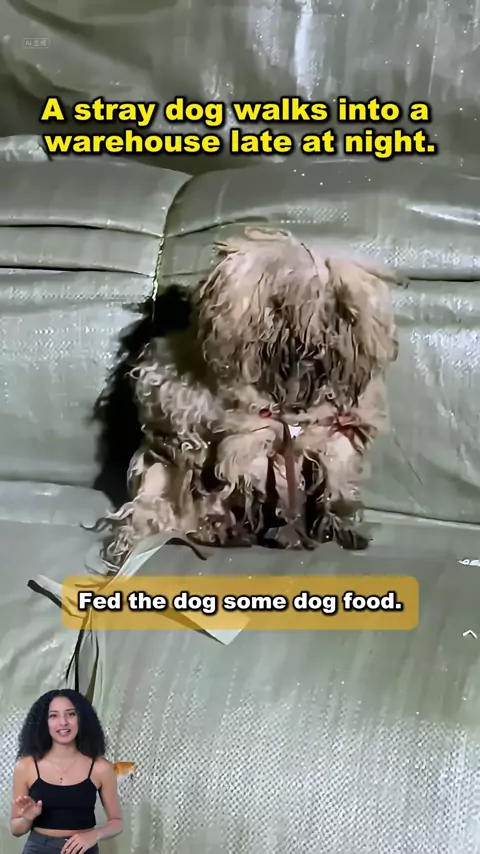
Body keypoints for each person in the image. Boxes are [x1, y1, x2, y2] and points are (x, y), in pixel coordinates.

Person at [10, 689, 123, 854]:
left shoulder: (101, 768)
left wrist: (94, 835)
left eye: (71, 714)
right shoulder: (26, 766)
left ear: (82, 718)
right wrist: (27, 818)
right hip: (38, 848)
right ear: (43, 723)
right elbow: (15, 829)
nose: (63, 722)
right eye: (53, 716)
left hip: (83, 849)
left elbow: (117, 822)